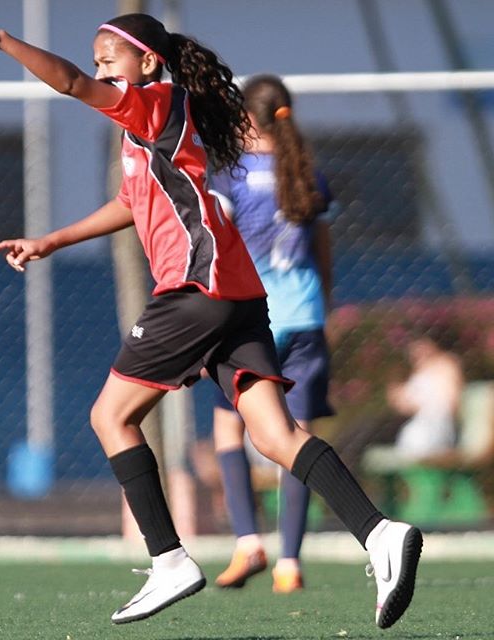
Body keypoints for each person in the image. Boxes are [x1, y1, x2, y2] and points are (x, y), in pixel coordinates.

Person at [0, 8, 422, 629]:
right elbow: (131, 202)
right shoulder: (148, 120)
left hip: (198, 286)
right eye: (98, 56)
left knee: (110, 416)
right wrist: (52, 241)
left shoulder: (154, 100)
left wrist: (0, 39)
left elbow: (71, 83)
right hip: (234, 293)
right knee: (273, 435)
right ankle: (380, 534)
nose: (101, 65)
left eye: (110, 55)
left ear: (148, 61)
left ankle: (168, 559)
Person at [209, 75, 334, 594]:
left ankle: (247, 542)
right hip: (305, 318)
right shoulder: (309, 173)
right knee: (297, 438)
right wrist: (321, 304)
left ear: (245, 119)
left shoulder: (231, 176)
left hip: (250, 324)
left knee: (228, 431)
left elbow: (217, 247)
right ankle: (290, 562)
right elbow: (324, 253)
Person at [387, 332, 463, 460]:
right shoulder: (418, 371)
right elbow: (406, 406)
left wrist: (417, 401)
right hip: (418, 422)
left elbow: (450, 402)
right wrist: (398, 398)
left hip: (437, 423)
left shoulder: (446, 365)